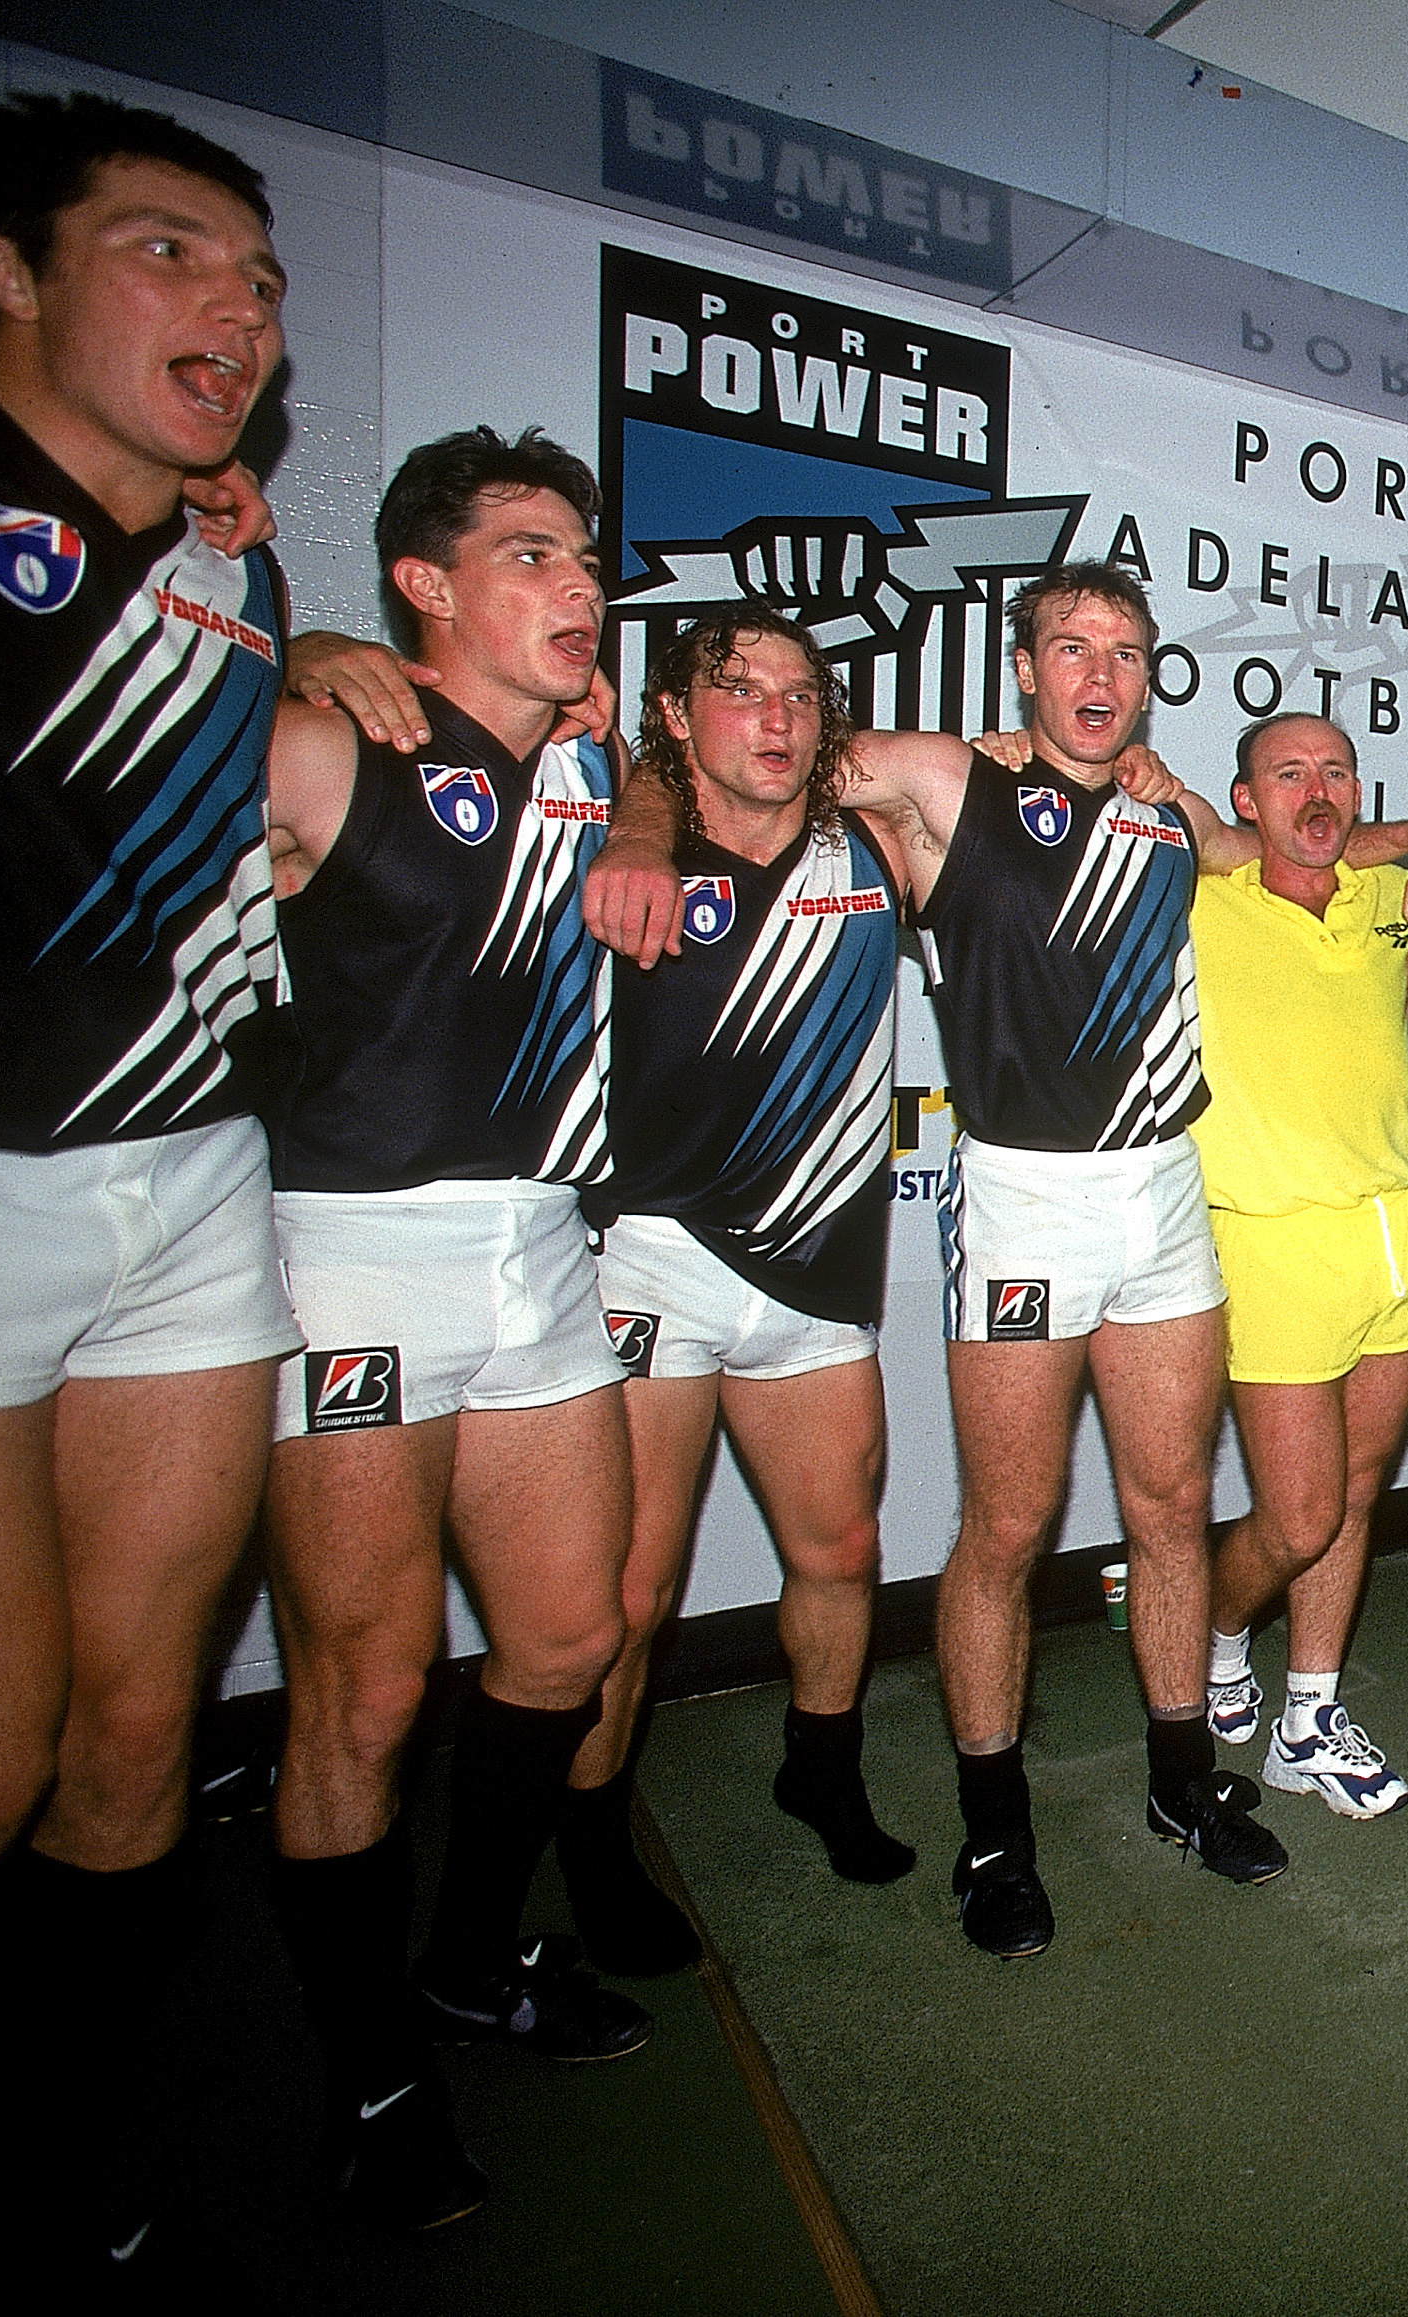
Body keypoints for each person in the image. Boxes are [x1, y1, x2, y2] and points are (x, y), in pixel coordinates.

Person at [588, 562, 1408, 1953]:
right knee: (1005, 1531)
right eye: (1072, 646)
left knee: (1171, 1510)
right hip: (1020, 1203)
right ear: (1022, 669)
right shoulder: (948, 782)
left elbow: (1298, 852)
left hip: (1164, 1198)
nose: (1100, 671)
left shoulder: (1173, 814)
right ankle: (994, 1831)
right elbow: (740, 755)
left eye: (1124, 650)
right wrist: (643, 830)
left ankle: (1185, 1783)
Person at [0, 90, 298, 2275]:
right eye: (168, 252)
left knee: (138, 1725)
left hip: (190, 1184)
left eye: (253, 279)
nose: (232, 308)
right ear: (2, 262)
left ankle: (49, 2150)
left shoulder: (235, 559)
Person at [256, 426, 646, 2229]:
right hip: (350, 1260)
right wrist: (282, 647)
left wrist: (633, 794)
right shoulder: (333, 733)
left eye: (582, 559)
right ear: (420, 583)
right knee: (365, 1686)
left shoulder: (583, 761)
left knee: (566, 1635)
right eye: (530, 557)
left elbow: (637, 771)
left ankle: (472, 1956)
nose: (576, 587)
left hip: (541, 1250)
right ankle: (371, 2078)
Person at [551, 606, 916, 1982]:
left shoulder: (877, 849)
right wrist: (643, 818)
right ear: (674, 715)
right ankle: (592, 1844)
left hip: (818, 1274)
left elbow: (996, 778)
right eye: (737, 689)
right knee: (627, 1594)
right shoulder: (612, 834)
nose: (772, 715)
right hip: (650, 1258)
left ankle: (819, 1772)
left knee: (839, 1555)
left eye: (797, 695)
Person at [1175, 714, 1408, 1819]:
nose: (1317, 790)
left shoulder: (1390, 900)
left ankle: (1309, 1713)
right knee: (1296, 1516)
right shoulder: (1201, 892)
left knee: (1352, 1496)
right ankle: (1212, 1633)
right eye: (1287, 772)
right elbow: (1182, 832)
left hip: (1397, 1235)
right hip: (1268, 1238)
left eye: (1336, 771)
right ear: (1245, 799)